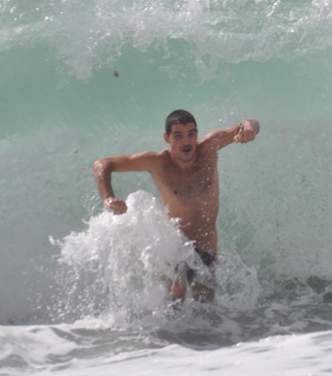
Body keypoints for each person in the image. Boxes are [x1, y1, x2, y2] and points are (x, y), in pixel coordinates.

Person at [93, 110, 260, 302]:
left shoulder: (210, 148)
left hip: (206, 247)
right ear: (167, 138)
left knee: (205, 304)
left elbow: (250, 122)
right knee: (177, 292)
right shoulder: (157, 162)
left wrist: (249, 129)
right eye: (178, 136)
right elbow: (102, 164)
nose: (186, 142)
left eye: (191, 134)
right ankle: (158, 321)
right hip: (172, 245)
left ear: (197, 134)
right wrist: (108, 197)